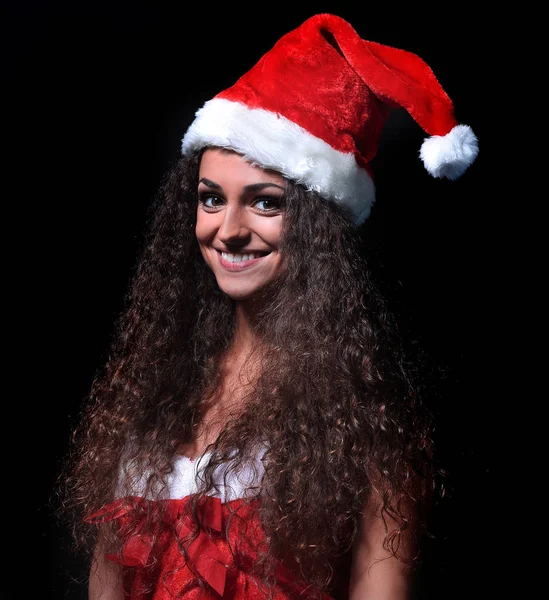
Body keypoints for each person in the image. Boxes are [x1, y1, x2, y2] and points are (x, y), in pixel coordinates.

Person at [57, 12, 478, 600]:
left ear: (317, 226)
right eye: (210, 199)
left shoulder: (367, 420)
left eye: (264, 203)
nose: (228, 229)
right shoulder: (151, 391)